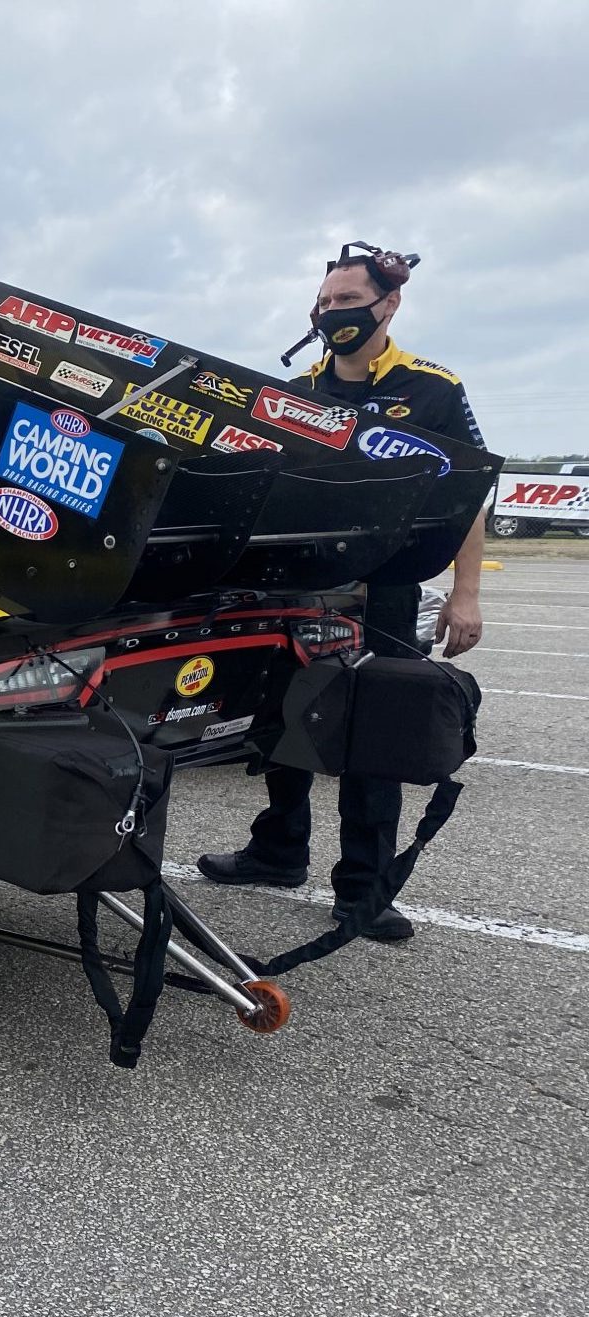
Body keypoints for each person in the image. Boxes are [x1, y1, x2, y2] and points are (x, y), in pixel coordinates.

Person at [198, 244, 486, 942]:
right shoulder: (299, 394)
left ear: (388, 304)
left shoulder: (432, 389)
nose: (333, 314)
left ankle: (364, 889)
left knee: (374, 732)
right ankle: (278, 850)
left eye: (346, 301)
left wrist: (466, 592)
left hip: (386, 587)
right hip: (303, 584)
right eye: (324, 304)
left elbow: (472, 493)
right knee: (287, 720)